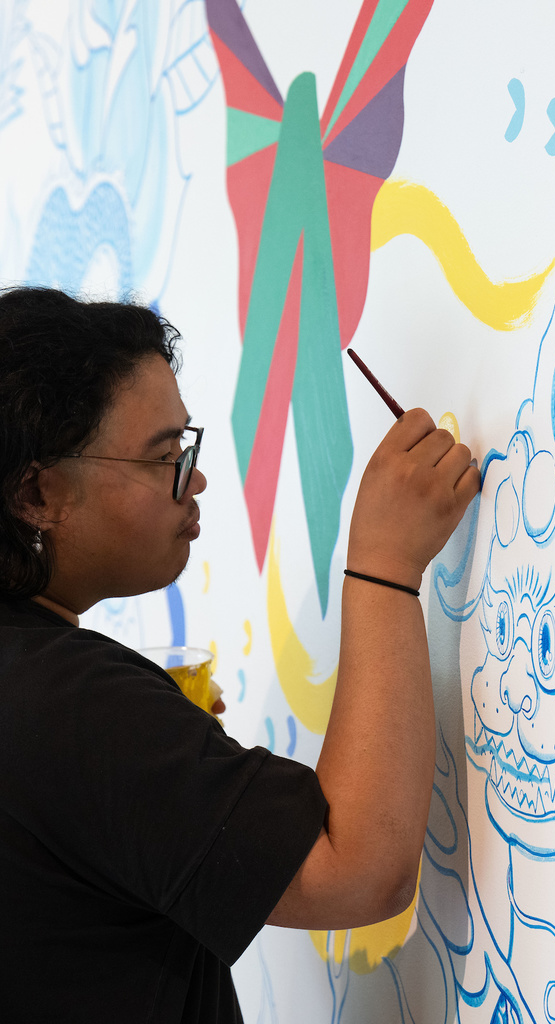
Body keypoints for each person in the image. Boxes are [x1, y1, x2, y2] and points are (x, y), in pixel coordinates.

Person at [0, 286, 480, 1022]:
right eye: (165, 456)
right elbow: (358, 870)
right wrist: (385, 564)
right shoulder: (67, 703)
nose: (194, 480)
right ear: (36, 493)